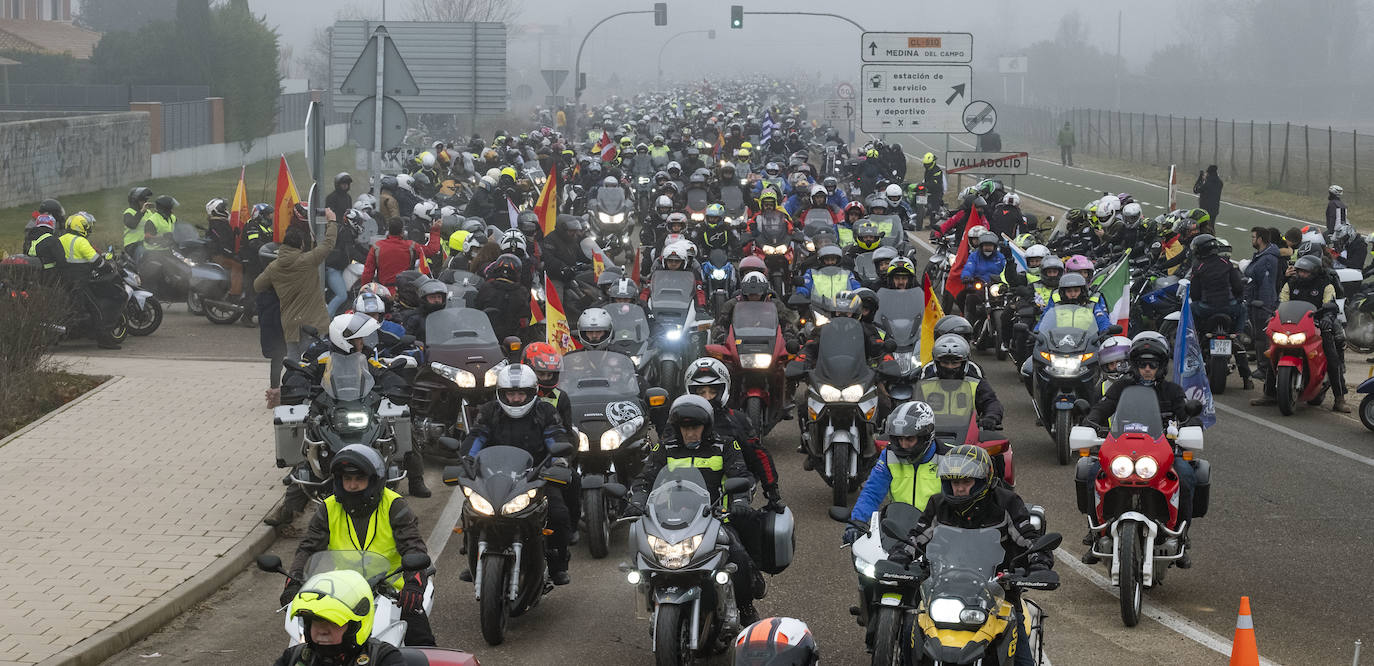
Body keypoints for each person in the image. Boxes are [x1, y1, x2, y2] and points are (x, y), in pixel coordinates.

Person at [893, 445, 1054, 666]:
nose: (958, 488)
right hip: (943, 586)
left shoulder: (1006, 503)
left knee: (1021, 659)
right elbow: (916, 536)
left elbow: (1028, 538)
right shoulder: (937, 504)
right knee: (911, 630)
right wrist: (899, 558)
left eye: (965, 482)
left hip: (999, 589)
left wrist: (1039, 564)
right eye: (953, 482)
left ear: (983, 480)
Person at [282, 445, 436, 648]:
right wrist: (293, 583)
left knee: (422, 647)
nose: (352, 485)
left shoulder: (394, 506)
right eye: (347, 479)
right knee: (305, 645)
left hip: (393, 592)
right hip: (343, 592)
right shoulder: (328, 508)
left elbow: (413, 547)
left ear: (374, 480)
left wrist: (413, 585)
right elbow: (308, 548)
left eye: (359, 479)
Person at [627, 395, 760, 625]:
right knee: (642, 553)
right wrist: (638, 498)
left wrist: (739, 502)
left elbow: (741, 476)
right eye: (684, 427)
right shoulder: (665, 448)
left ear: (706, 426)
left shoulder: (724, 445)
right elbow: (644, 478)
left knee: (737, 556)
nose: (690, 433)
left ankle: (746, 606)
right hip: (669, 520)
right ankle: (653, 603)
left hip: (716, 517)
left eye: (695, 427)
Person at [1082, 334, 1198, 567]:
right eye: (1142, 364)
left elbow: (1187, 416)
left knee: (1186, 475)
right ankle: (1096, 532)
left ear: (1160, 367)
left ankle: (1181, 537)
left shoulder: (1173, 391)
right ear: (1135, 366)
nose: (1147, 369)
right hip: (1122, 452)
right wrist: (1088, 424)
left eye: (1152, 365)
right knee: (1090, 473)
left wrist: (1192, 426)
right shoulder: (1121, 388)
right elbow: (1101, 408)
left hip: (1163, 454)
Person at [462, 364, 575, 585]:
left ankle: (557, 564)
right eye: (510, 394)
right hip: (494, 476)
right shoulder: (489, 411)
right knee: (470, 510)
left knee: (559, 514)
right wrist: (467, 460)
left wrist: (559, 462)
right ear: (501, 394)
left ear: (531, 392)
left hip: (536, 476)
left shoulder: (545, 412)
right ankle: (472, 555)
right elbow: (476, 437)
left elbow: (556, 437)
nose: (515, 399)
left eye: (520, 393)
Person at [1252, 254, 1350, 412]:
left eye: (1306, 272)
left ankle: (1340, 398)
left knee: (1333, 359)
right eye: (1299, 271)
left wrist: (1327, 317)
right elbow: (1281, 303)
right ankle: (1269, 394)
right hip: (1292, 326)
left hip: (1317, 326)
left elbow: (1330, 304)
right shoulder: (1291, 284)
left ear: (1315, 272)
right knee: (1272, 352)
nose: (1301, 274)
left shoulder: (1326, 285)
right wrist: (1274, 315)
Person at [684, 358, 784, 509]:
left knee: (749, 526)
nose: (707, 397)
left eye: (712, 391)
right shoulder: (679, 422)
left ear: (723, 390)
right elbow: (658, 461)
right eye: (701, 392)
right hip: (682, 497)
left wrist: (772, 492)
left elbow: (758, 455)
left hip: (731, 497)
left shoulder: (736, 420)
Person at [844, 401, 948, 540]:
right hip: (898, 529)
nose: (903, 445)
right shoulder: (889, 455)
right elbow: (872, 492)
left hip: (936, 532)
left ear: (926, 436)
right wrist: (857, 522)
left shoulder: (949, 458)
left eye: (910, 439)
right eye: (899, 439)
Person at [254, 209, 338, 372]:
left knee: (293, 363)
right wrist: (332, 221)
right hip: (312, 323)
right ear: (300, 245)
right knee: (313, 362)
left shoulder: (274, 267)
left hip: (290, 323)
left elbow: (258, 285)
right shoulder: (308, 260)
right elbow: (328, 244)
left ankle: (292, 390)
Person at [272, 568, 406, 666]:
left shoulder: (383, 658)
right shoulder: (293, 658)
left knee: (418, 630)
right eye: (315, 621)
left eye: (333, 622)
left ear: (355, 626)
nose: (322, 631)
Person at [920, 334, 1004, 428]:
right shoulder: (926, 382)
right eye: (945, 362)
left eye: (955, 363)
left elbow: (991, 402)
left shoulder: (975, 381)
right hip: (932, 434)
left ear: (964, 363)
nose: (950, 367)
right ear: (936, 363)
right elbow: (913, 406)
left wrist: (991, 418)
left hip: (969, 435)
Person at [710, 272, 800, 349]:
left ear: (764, 292)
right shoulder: (732, 305)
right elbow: (720, 325)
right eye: (750, 294)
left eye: (757, 294)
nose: (753, 297)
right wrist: (721, 335)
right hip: (739, 343)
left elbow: (789, 323)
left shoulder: (776, 305)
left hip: (770, 343)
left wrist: (789, 334)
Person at [360, 217, 440, 289]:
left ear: (389, 230)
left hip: (384, 291)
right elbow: (432, 250)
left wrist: (365, 290)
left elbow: (368, 273)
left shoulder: (377, 247)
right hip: (406, 292)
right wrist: (435, 231)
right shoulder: (411, 246)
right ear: (402, 231)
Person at [1245, 227, 1281, 383]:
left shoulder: (1267, 259)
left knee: (1262, 338)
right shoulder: (1262, 256)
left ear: (1260, 239)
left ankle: (1264, 368)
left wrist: (1265, 307)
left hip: (1261, 305)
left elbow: (1266, 285)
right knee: (1258, 337)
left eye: (1253, 237)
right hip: (1255, 302)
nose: (1252, 240)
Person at [473, 254, 533, 342]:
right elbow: (525, 318)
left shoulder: (486, 287)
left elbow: (476, 308)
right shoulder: (521, 292)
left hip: (485, 337)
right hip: (512, 340)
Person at [122, 187, 153, 260]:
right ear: (135, 201)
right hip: (133, 245)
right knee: (145, 255)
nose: (145, 202)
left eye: (146, 200)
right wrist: (142, 212)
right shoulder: (129, 212)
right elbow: (132, 225)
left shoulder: (148, 212)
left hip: (147, 242)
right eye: (143, 200)